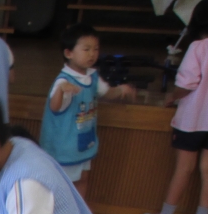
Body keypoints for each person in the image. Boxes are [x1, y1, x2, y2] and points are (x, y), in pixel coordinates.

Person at [141, 0, 208, 214]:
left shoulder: (199, 47)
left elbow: (188, 83)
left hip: (193, 120)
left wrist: (173, 97)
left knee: (184, 168)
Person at [40, 24, 136, 199]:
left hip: (83, 144)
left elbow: (107, 92)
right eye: (86, 49)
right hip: (64, 148)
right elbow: (54, 107)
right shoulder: (63, 81)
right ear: (68, 53)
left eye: (96, 49)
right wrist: (62, 91)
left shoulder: (92, 76)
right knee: (62, 186)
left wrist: (122, 89)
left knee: (83, 179)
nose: (92, 54)